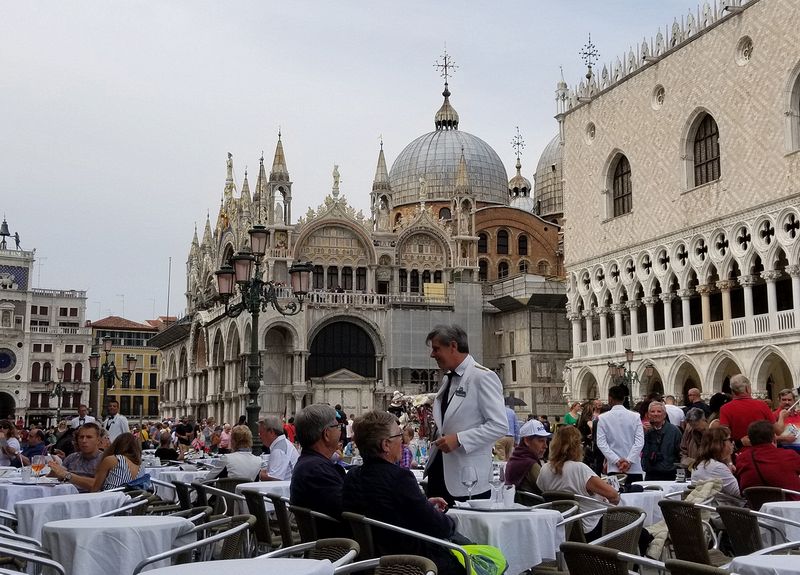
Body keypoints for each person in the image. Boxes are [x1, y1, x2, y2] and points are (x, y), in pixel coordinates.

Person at [343, 410, 466, 575]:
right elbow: (440, 527)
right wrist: (451, 522)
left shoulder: (353, 476)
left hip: (368, 562)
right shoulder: (399, 478)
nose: (402, 440)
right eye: (398, 436)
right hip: (411, 563)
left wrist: (422, 505)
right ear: (386, 445)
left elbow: (383, 508)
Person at [424, 324, 507, 506]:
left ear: (453, 346)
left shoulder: (483, 377)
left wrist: (460, 439)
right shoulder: (447, 379)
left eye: (436, 349)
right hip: (440, 472)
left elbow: (500, 425)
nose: (432, 355)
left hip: (468, 479)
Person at [537, 426, 620, 538]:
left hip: (562, 529)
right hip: (590, 527)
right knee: (640, 531)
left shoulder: (545, 470)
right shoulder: (579, 469)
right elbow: (614, 496)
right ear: (576, 446)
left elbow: (543, 491)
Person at [290, 404, 348, 534]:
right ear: (326, 434)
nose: (340, 431)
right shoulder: (317, 471)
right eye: (337, 426)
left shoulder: (311, 464)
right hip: (337, 549)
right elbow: (348, 510)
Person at [736, 420, 800, 497]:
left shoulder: (742, 458)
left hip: (756, 506)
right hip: (790, 504)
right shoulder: (789, 455)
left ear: (749, 439)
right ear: (774, 438)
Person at [596, 385, 645, 485]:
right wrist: (629, 460)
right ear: (624, 398)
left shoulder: (603, 418)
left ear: (610, 398)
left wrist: (617, 461)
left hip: (614, 467)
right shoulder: (635, 416)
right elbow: (639, 442)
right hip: (634, 467)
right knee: (636, 496)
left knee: (616, 497)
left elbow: (601, 443)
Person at [719, 374, 780, 446]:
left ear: (732, 390)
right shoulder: (762, 405)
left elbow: (723, 436)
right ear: (747, 388)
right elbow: (778, 430)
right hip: (762, 450)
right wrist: (782, 416)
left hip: (739, 452)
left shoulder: (725, 409)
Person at [690, 427, 742, 501]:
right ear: (719, 444)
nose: (732, 443)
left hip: (705, 507)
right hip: (722, 509)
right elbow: (739, 493)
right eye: (730, 440)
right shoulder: (717, 467)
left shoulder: (700, 464)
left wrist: (728, 462)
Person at [49, 422, 104, 492]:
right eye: (81, 437)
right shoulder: (72, 457)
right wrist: (54, 471)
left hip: (89, 499)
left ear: (98, 440)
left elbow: (96, 485)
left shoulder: (104, 459)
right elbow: (55, 477)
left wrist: (67, 475)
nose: (84, 441)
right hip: (65, 495)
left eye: (89, 437)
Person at [505, 418, 551, 494]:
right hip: (533, 505)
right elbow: (550, 490)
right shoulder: (530, 464)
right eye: (541, 441)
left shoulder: (515, 458)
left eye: (546, 441)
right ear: (527, 441)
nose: (546, 446)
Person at [641, 401, 682, 481]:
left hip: (669, 473)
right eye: (652, 411)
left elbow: (680, 452)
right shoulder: (644, 431)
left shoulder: (674, 431)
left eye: (659, 411)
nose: (655, 414)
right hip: (650, 473)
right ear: (648, 415)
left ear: (664, 415)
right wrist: (643, 433)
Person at [258, 416, 300, 480]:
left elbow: (274, 479)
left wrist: (258, 474)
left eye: (261, 433)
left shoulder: (278, 450)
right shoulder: (282, 444)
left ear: (271, 432)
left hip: (286, 488)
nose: (260, 436)